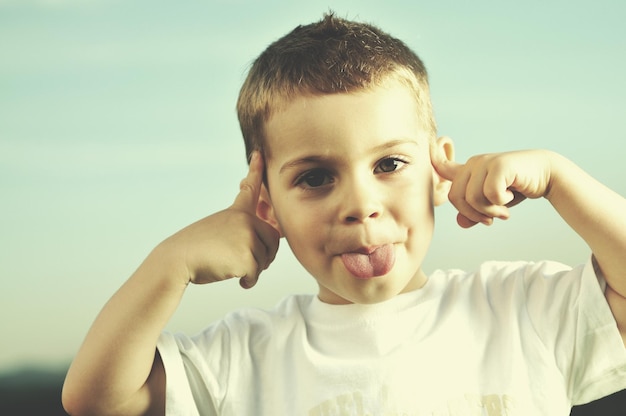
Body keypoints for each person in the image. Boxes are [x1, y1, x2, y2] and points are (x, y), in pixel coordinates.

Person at [62, 13, 626, 416]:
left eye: (389, 164)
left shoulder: (519, 308)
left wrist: (558, 177)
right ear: (267, 205)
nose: (359, 206)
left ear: (438, 169)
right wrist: (171, 263)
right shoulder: (245, 356)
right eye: (315, 177)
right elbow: (96, 399)